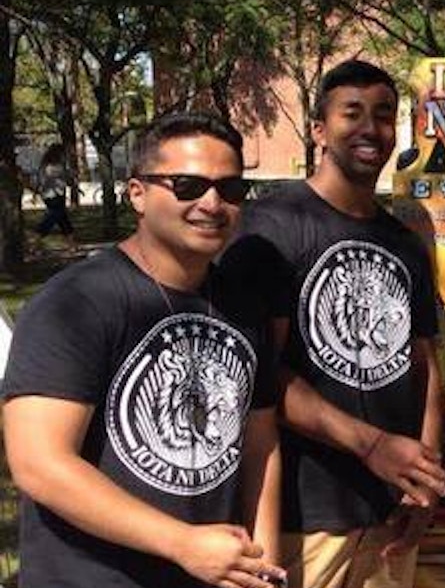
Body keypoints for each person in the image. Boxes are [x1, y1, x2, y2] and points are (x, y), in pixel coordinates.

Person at [2, 112, 286, 587]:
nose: (212, 203)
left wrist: (265, 570)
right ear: (137, 194)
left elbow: (261, 445)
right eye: (187, 185)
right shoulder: (76, 303)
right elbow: (39, 463)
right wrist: (183, 543)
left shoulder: (242, 306)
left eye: (231, 189)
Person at [219, 60, 445, 588]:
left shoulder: (406, 242)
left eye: (385, 115)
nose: (371, 128)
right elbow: (256, 377)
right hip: (307, 514)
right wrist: (370, 445)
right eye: (353, 113)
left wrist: (425, 484)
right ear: (319, 130)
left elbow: (425, 366)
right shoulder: (269, 229)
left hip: (390, 511)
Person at [32, 142, 78, 251]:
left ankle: (72, 245)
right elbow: (67, 177)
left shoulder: (44, 164)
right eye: (64, 153)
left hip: (48, 195)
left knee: (63, 220)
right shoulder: (58, 166)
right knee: (51, 219)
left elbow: (39, 181)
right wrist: (72, 177)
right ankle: (34, 243)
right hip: (55, 196)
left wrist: (35, 193)